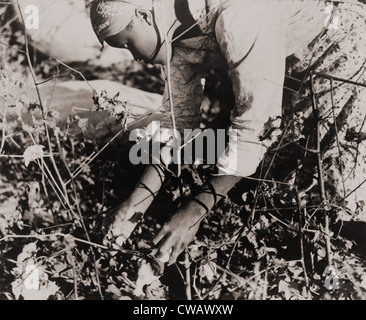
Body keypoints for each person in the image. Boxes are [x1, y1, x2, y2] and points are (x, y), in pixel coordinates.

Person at [90, 0, 366, 265]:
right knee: (285, 172)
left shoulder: (238, 15)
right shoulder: (176, 34)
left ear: (144, 16)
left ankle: (342, 269)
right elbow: (178, 125)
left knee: (326, 175)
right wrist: (133, 206)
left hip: (344, 45)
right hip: (295, 55)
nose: (136, 57)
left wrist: (193, 214)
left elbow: (254, 128)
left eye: (128, 44)